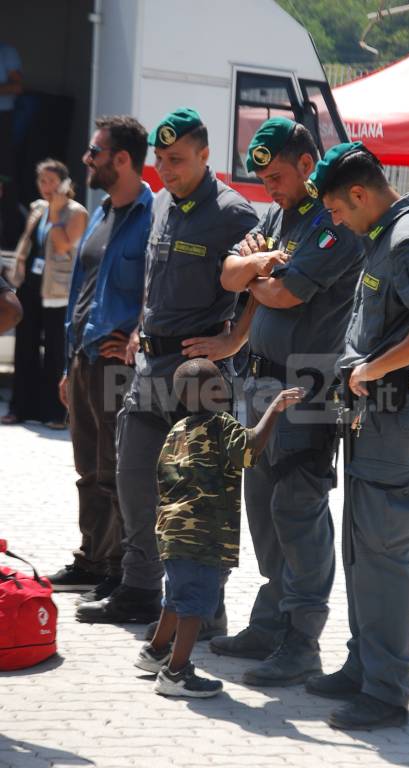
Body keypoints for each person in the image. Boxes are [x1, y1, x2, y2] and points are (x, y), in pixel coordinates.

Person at [76, 107, 258, 625]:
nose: (166, 169)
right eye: (160, 159)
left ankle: (205, 611)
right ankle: (138, 591)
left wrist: (234, 338)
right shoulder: (160, 206)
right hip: (149, 367)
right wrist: (139, 329)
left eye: (177, 159)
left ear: (205, 154)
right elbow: (153, 284)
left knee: (195, 498)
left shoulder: (233, 213)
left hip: (196, 377)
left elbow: (262, 282)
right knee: (133, 483)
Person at [302, 142, 409, 730]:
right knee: (359, 550)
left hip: (393, 416)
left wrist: (370, 370)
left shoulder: (408, 239)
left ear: (360, 194)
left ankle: (387, 692)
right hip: (373, 419)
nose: (336, 223)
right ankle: (362, 666)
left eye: (338, 212)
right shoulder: (384, 236)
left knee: (383, 555)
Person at [209, 118, 364, 686]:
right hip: (261, 384)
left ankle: (303, 640)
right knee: (264, 511)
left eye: (276, 176)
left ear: (306, 164)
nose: (269, 189)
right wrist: (257, 266)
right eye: (262, 179)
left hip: (309, 387)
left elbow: (284, 291)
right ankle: (270, 623)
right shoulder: (277, 218)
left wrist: (258, 271)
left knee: (299, 514)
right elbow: (228, 274)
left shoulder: (334, 224)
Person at [134, 358, 304, 697]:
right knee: (196, 603)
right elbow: (251, 450)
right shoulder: (219, 424)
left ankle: (154, 652)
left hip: (170, 530)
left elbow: (160, 481)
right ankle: (176, 673)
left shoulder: (177, 430)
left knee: (176, 595)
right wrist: (275, 407)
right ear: (218, 390)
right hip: (202, 536)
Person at [47, 117, 152, 601]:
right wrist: (69, 360)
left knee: (114, 469)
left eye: (95, 151)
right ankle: (91, 558)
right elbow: (79, 291)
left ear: (122, 159)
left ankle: (116, 568)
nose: (87, 159)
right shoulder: (101, 212)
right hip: (85, 359)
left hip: (118, 366)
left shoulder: (153, 218)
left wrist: (137, 333)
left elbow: (159, 291)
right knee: (87, 466)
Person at [2, 160, 87, 427]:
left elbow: (63, 245)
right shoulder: (37, 208)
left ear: (64, 182)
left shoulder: (75, 212)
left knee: (54, 351)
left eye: (51, 181)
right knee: (24, 347)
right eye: (42, 181)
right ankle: (21, 408)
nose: (46, 187)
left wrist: (57, 210)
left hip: (58, 290)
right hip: (32, 285)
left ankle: (55, 412)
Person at [0, 42, 23, 249]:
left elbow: (17, 86)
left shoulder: (7, 52)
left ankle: (10, 238)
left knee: (5, 177)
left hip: (3, 120)